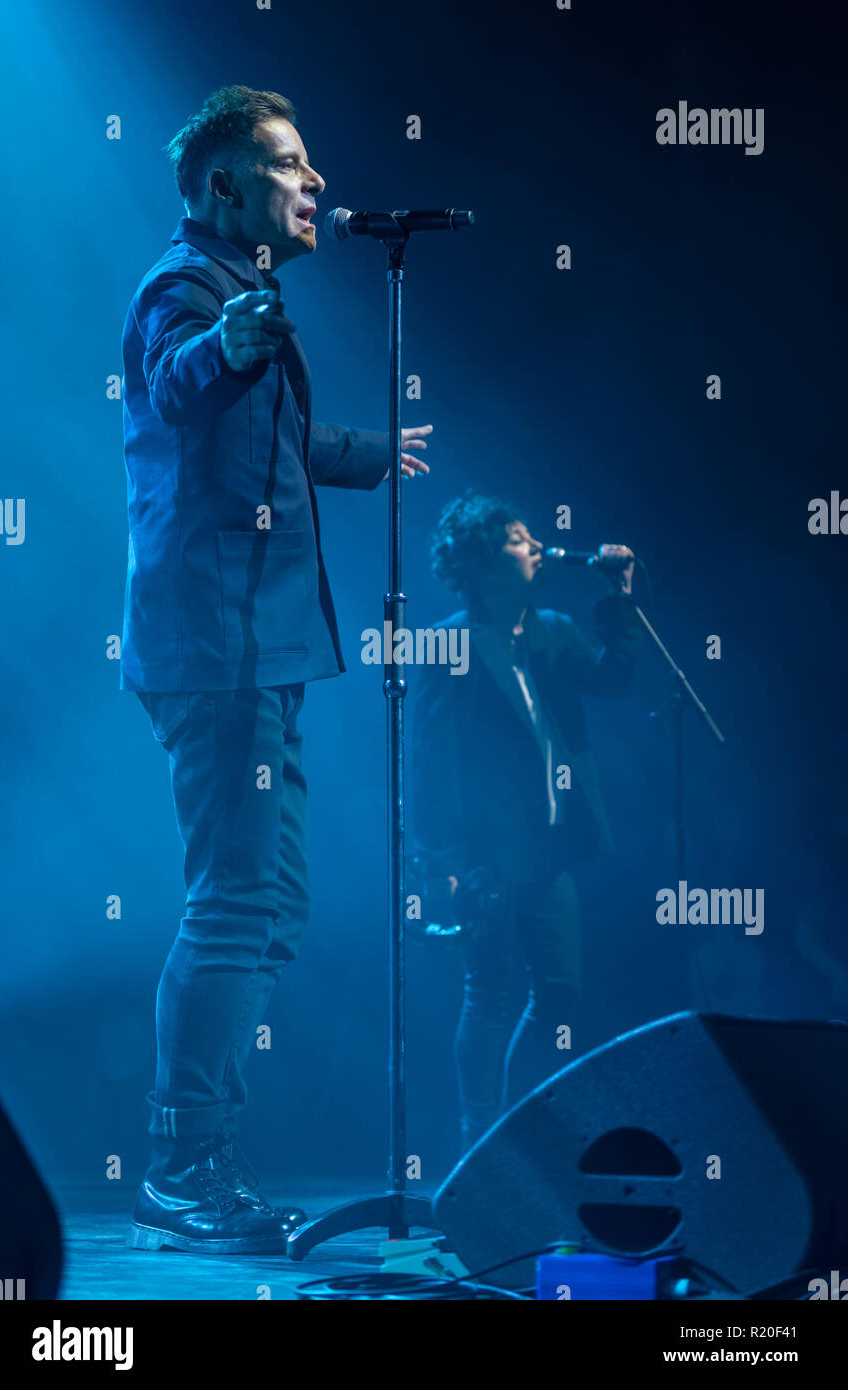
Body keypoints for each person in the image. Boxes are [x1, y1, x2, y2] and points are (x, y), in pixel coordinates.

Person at [120, 85, 432, 1254]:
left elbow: (277, 442)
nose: (314, 185)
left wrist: (369, 454)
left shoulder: (240, 291)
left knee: (267, 902)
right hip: (220, 652)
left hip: (254, 650)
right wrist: (228, 342)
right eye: (289, 164)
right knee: (236, 902)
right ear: (222, 188)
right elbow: (176, 380)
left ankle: (194, 1156)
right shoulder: (190, 289)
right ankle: (180, 1165)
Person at [411, 493, 638, 1155]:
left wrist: (620, 597)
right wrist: (442, 861)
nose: (534, 544)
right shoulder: (448, 643)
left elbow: (617, 680)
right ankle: (479, 1148)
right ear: (482, 561)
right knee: (487, 994)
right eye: (516, 537)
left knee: (558, 993)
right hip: (485, 855)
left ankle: (514, 1138)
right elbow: (430, 761)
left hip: (549, 847)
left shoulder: (553, 631)